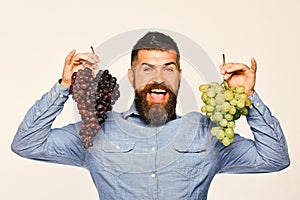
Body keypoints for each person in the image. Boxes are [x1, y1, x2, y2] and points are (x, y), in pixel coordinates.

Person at [11, 31, 290, 200]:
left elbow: (274, 159)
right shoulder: (96, 132)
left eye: (168, 69)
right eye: (147, 69)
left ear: (179, 77)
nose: (159, 78)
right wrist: (64, 87)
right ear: (131, 76)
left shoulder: (207, 133)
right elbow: (27, 143)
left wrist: (247, 98)